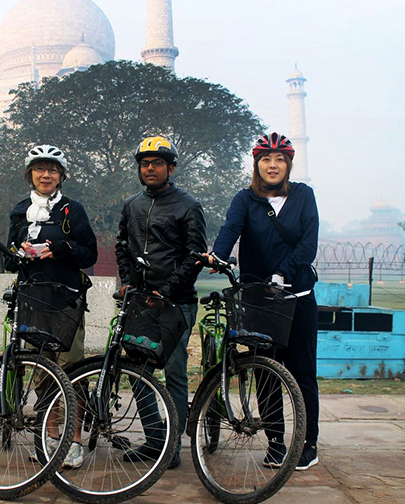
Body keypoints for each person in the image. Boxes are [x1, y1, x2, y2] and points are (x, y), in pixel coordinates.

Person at [205, 132, 320, 471]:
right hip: (259, 299)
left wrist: (283, 272)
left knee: (302, 373)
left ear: (288, 164)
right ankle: (276, 442)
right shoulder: (245, 199)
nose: (273, 165)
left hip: (297, 297)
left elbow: (308, 244)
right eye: (266, 159)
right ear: (256, 164)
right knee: (265, 372)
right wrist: (217, 255)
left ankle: (308, 443)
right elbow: (231, 229)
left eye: (280, 159)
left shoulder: (303, 196)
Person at [116, 136, 207, 470]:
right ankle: (155, 439)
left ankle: (172, 445)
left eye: (157, 163)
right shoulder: (132, 205)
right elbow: (122, 245)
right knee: (137, 373)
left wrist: (165, 291)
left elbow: (195, 255)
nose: (150, 168)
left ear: (170, 168)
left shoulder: (188, 206)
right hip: (140, 301)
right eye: (145, 164)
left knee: (174, 373)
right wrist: (127, 282)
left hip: (176, 303)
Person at [4, 144, 98, 469]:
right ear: (30, 174)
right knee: (43, 372)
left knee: (71, 371)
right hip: (33, 299)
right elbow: (8, 260)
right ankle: (51, 436)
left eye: (52, 169)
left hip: (67, 300)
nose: (46, 175)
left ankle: (75, 440)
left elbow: (89, 253)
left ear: (61, 175)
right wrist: (18, 253)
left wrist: (60, 248)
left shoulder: (73, 210)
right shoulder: (20, 211)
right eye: (40, 169)